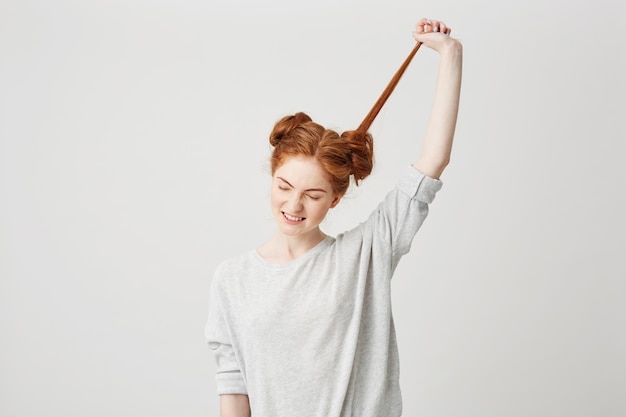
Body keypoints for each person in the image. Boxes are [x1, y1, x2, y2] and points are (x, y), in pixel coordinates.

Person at [205, 17, 462, 417]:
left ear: (335, 200)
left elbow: (432, 161)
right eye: (284, 186)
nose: (293, 206)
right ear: (271, 177)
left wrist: (449, 54)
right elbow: (234, 388)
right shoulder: (232, 279)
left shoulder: (365, 254)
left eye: (313, 195)